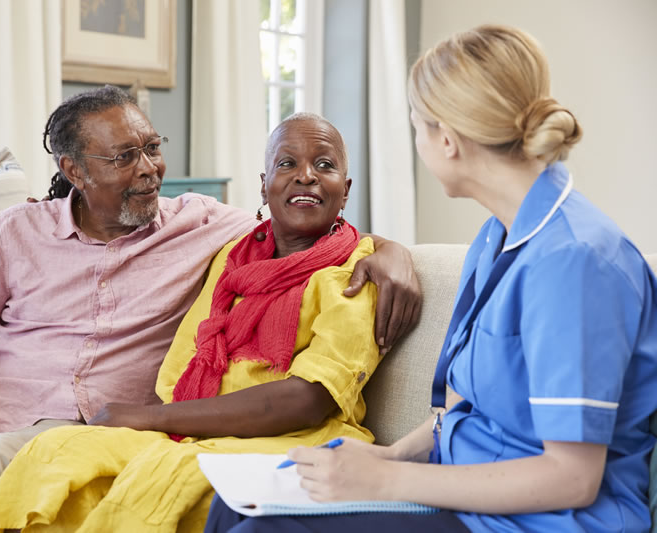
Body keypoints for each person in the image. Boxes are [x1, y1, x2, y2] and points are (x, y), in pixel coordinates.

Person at [0, 87, 420, 533]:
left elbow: (305, 220)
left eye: (152, 147)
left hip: (72, 429)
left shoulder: (202, 224)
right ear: (74, 170)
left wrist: (392, 251)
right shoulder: (16, 231)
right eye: (125, 157)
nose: (149, 168)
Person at [204, 24, 657, 533]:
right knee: (235, 506)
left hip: (537, 521)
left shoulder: (574, 263)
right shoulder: (497, 237)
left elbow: (571, 480)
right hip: (461, 490)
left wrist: (385, 482)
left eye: (416, 126)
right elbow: (465, 403)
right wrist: (390, 456)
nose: (416, 141)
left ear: (447, 139)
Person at [0, 112, 382, 532]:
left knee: (157, 481)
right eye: (287, 164)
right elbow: (180, 369)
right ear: (263, 185)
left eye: (325, 165)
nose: (306, 177)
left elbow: (310, 400)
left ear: (345, 192)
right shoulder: (233, 256)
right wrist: (162, 421)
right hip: (192, 427)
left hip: (290, 438)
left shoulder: (356, 273)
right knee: (55, 452)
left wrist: (148, 418)